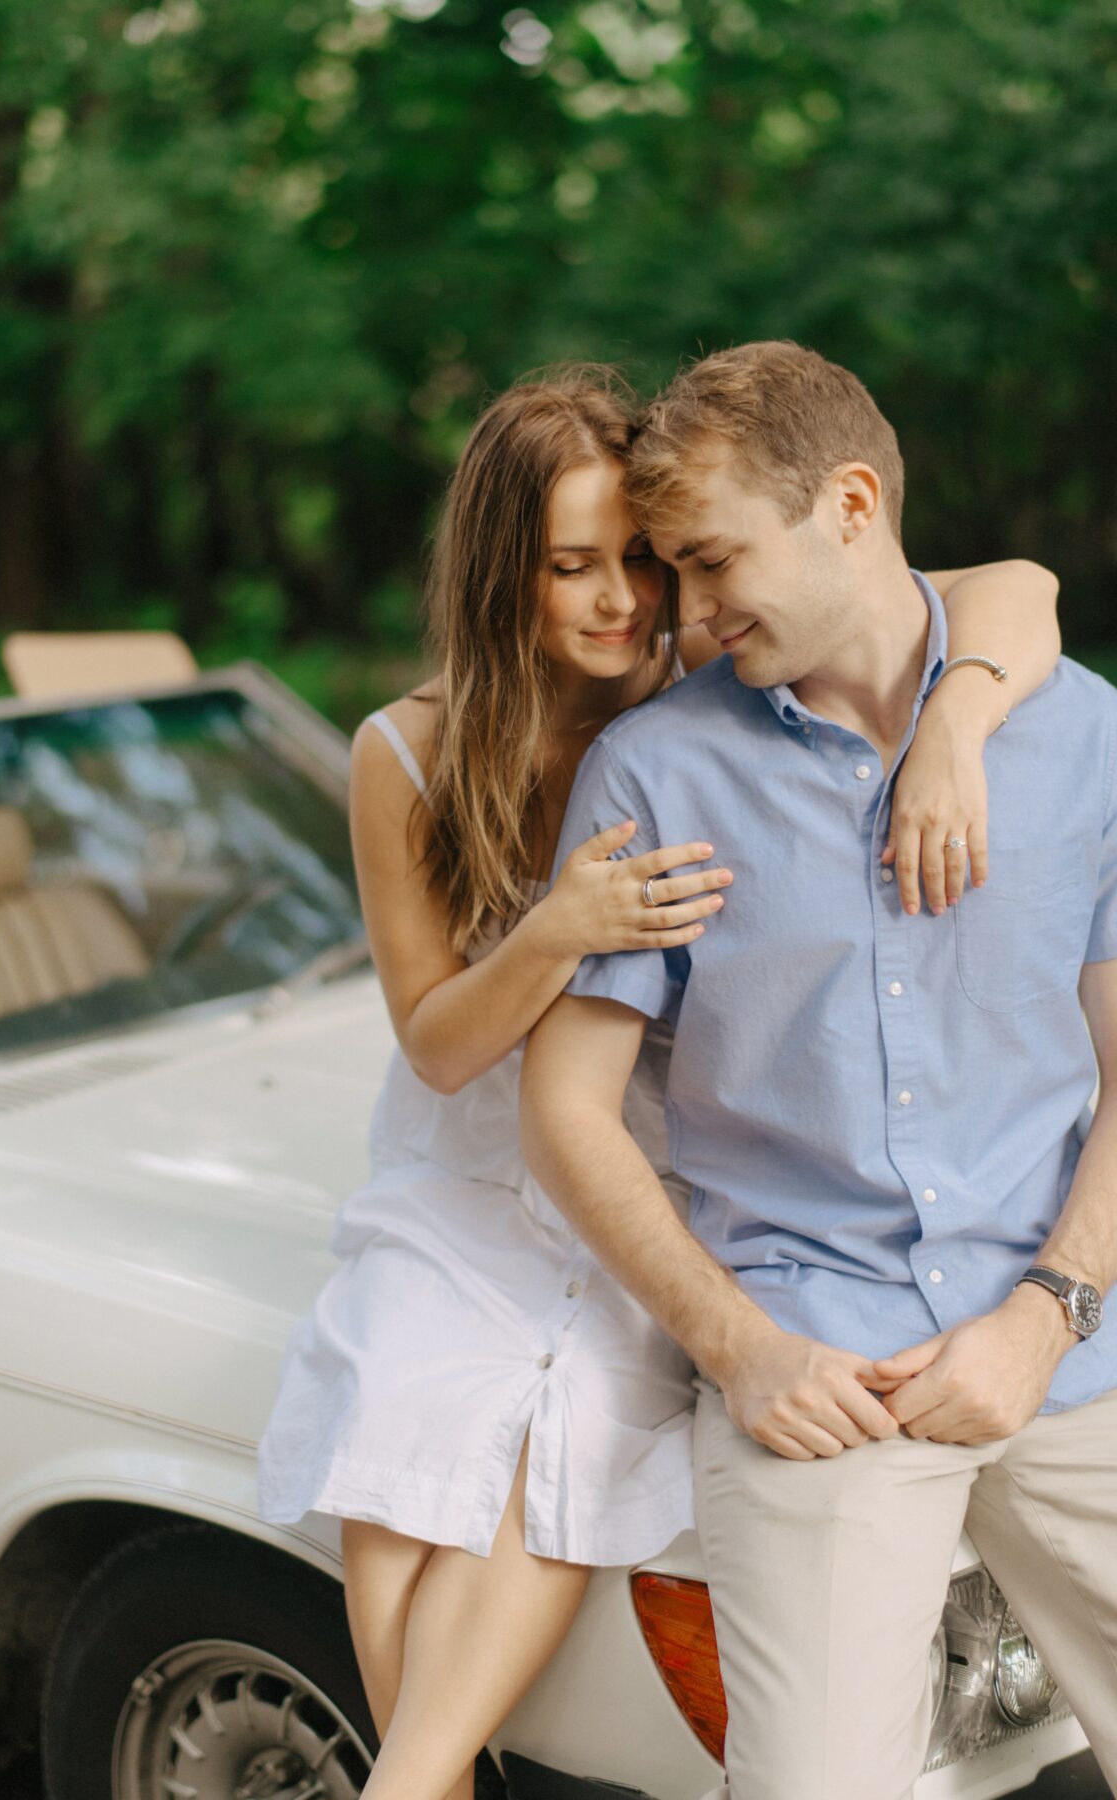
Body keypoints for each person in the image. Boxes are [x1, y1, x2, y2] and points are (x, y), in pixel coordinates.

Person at [257, 366, 1061, 1800]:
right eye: (578, 567)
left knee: (556, 1447)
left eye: (647, 557)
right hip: (472, 1162)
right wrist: (560, 926)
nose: (631, 598)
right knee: (397, 1447)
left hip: (642, 1151)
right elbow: (438, 1044)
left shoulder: (714, 673)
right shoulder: (416, 750)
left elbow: (1010, 583)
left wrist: (958, 717)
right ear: (506, 571)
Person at [520, 340, 1117, 1800]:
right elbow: (563, 1107)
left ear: (851, 504)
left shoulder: (1083, 732)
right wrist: (741, 1348)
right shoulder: (655, 771)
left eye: (713, 561)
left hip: (1075, 1346)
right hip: (817, 1371)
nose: (693, 612)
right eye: (672, 568)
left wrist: (1045, 1315)